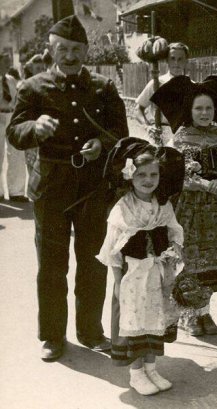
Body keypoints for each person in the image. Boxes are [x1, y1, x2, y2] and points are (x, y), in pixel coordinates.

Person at [6, 15, 128, 361]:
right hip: (52, 187)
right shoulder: (32, 87)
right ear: (51, 49)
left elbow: (121, 133)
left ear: (86, 51)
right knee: (51, 264)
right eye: (63, 49)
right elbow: (13, 133)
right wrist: (34, 127)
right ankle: (53, 336)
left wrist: (101, 145)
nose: (70, 56)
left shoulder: (103, 88)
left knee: (93, 262)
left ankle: (90, 331)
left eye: (76, 49)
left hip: (93, 188)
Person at [151, 75, 217, 336]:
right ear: (189, 111)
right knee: (190, 256)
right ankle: (188, 314)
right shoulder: (179, 140)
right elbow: (175, 174)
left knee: (214, 256)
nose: (204, 113)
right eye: (199, 108)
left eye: (209, 108)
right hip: (189, 206)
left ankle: (205, 311)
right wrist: (202, 184)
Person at [96, 137, 184, 396]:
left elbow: (174, 229)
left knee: (154, 316)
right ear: (129, 177)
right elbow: (111, 248)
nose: (148, 180)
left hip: (155, 271)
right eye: (142, 174)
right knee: (135, 320)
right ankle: (136, 372)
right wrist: (116, 280)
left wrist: (174, 248)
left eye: (154, 174)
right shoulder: (123, 208)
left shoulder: (163, 204)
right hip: (132, 274)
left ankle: (151, 367)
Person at [136, 42, 190, 145]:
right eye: (172, 58)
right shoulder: (157, 83)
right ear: (167, 61)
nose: (176, 63)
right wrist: (147, 126)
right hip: (159, 133)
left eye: (180, 59)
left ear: (186, 61)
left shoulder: (192, 86)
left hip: (183, 136)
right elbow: (138, 109)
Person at [1, 52, 26, 201]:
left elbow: (17, 98)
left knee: (16, 152)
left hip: (11, 116)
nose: (8, 64)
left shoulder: (11, 80)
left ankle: (16, 191)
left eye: (9, 61)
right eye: (5, 61)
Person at [21, 53, 48, 177]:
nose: (41, 71)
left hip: (46, 131)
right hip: (32, 130)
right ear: (31, 69)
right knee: (32, 166)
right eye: (38, 69)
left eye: (42, 68)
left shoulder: (48, 85)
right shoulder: (26, 86)